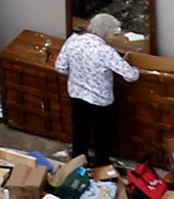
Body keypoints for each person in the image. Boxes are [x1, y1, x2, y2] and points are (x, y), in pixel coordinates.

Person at [56, 13, 140, 163]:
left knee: (80, 131)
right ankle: (101, 166)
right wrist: (137, 70)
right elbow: (130, 76)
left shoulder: (72, 41)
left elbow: (60, 67)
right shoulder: (105, 51)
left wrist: (78, 75)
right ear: (106, 33)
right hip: (99, 101)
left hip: (76, 94)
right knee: (102, 135)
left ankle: (78, 162)